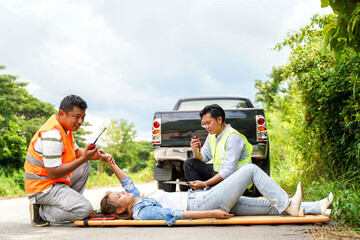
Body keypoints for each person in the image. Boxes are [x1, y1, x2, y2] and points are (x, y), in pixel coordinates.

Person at [99, 159, 333, 226]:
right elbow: (174, 215)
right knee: (250, 169)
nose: (122, 191)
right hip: (203, 204)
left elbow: (128, 183)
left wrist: (110, 162)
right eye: (118, 196)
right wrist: (211, 213)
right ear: (120, 209)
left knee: (267, 206)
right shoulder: (140, 211)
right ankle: (290, 204)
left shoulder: (137, 199)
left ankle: (314, 207)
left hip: (204, 199)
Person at [24, 94, 113, 227]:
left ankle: (69, 206)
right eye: (76, 117)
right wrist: (84, 158)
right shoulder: (52, 135)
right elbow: (53, 173)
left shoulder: (65, 130)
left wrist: (99, 156)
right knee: (85, 209)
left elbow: (77, 153)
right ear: (62, 113)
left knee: (84, 166)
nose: (80, 121)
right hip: (43, 188)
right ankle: (42, 212)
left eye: (83, 117)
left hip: (55, 183)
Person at [184, 104, 253, 190]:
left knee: (211, 190)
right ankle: (199, 197)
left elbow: (229, 170)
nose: (206, 127)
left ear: (219, 119)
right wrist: (195, 151)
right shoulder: (212, 135)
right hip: (220, 176)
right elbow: (205, 157)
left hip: (237, 181)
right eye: (204, 124)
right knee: (190, 163)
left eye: (208, 123)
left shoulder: (233, 137)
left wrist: (205, 184)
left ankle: (206, 195)